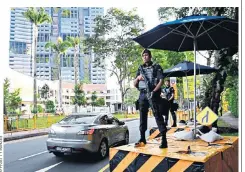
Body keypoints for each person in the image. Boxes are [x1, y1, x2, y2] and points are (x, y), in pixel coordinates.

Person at [134, 49, 167, 149]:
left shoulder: (156, 67)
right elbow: (134, 84)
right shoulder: (140, 68)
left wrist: (154, 91)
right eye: (143, 55)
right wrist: (138, 78)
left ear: (150, 56)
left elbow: (161, 81)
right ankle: (142, 138)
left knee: (157, 115)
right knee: (142, 115)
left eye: (146, 55)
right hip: (143, 94)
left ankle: (164, 139)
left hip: (153, 93)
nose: (145, 57)